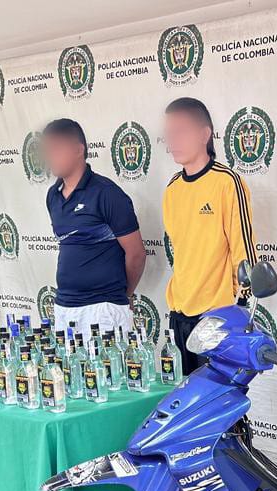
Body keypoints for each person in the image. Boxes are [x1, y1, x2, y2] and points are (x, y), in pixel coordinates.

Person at [162, 97, 257, 374]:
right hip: (180, 315)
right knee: (185, 402)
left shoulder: (227, 182)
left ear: (204, 134)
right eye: (169, 134)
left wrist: (238, 306)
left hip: (215, 317)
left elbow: (244, 252)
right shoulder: (172, 188)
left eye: (181, 131)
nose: (173, 141)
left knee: (218, 403)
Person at [42, 118, 145, 334]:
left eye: (55, 149)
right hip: (65, 307)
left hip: (103, 309)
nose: (49, 157)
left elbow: (136, 254)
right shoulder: (53, 196)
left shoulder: (106, 193)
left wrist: (121, 297)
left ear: (78, 150)